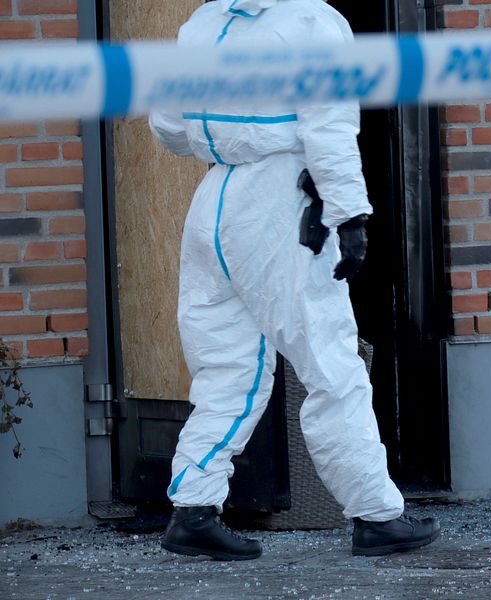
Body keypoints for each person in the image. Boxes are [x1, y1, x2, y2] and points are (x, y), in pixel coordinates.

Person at [149, 0, 440, 561]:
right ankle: (376, 516)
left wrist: (232, 131)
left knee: (226, 365)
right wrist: (350, 214)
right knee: (331, 362)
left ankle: (193, 509)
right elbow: (329, 127)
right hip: (280, 202)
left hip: (214, 200)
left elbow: (168, 128)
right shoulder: (311, 20)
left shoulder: (202, 24)